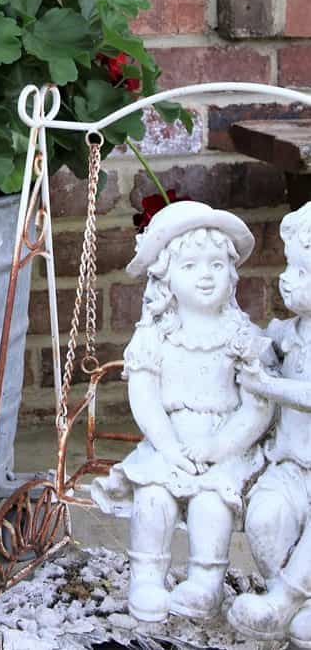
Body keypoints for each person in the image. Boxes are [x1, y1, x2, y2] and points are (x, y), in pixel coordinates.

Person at [91, 201, 274, 623]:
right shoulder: (156, 335)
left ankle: (205, 584)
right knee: (154, 497)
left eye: (216, 264)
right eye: (190, 265)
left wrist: (218, 447)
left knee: (212, 502)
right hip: (168, 439)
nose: (206, 275)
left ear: (233, 273)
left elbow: (257, 407)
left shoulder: (241, 336)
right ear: (166, 277)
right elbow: (145, 399)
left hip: (226, 446)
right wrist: (170, 448)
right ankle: (147, 578)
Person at [228, 202, 311, 647]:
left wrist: (268, 387)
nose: (288, 280)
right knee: (265, 516)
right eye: (291, 267)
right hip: (291, 465)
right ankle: (299, 609)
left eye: (303, 271)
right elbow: (265, 353)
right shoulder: (289, 332)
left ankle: (283, 601)